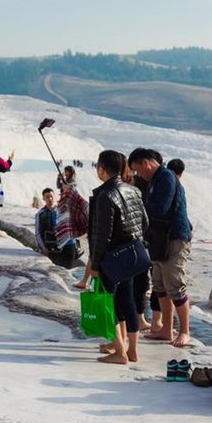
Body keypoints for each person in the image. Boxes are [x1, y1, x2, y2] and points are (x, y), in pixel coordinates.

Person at [77, 149, 149, 365]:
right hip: (132, 255)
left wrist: (95, 264)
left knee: (108, 304)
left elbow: (102, 235)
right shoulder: (133, 190)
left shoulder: (106, 195)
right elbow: (145, 222)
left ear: (102, 169)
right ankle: (132, 350)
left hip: (113, 257)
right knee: (127, 302)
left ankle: (120, 353)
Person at [129, 148, 193, 348]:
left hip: (174, 238)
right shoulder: (154, 180)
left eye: (137, 169)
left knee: (175, 284)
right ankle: (166, 328)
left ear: (146, 162)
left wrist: (136, 209)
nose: (138, 174)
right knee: (159, 284)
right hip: (159, 239)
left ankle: (184, 331)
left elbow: (160, 208)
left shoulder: (165, 177)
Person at [35, 188, 82, 269]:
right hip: (52, 247)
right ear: (43, 199)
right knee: (56, 271)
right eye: (47, 197)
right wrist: (43, 248)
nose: (50, 199)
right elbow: (38, 233)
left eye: (51, 196)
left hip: (69, 245)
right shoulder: (41, 214)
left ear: (55, 197)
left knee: (68, 270)